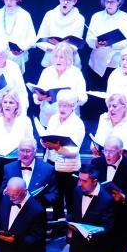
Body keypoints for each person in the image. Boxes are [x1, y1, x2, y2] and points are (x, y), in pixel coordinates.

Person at [40, 89, 86, 220]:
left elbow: (74, 150)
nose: (62, 108)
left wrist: (58, 147)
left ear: (73, 106)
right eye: (60, 105)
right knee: (55, 198)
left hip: (68, 168)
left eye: (65, 105)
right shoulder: (54, 119)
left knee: (70, 199)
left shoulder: (77, 124)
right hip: (51, 163)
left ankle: (71, 229)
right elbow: (47, 136)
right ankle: (57, 225)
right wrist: (44, 142)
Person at [0, 89, 33, 207]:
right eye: (5, 102)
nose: (7, 105)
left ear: (17, 105)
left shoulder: (25, 121)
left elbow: (30, 142)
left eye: (11, 102)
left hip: (16, 163)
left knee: (14, 195)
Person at [32, 41, 87, 126]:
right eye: (55, 56)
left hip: (69, 121)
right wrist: (40, 97)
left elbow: (83, 98)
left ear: (69, 59)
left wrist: (70, 99)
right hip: (47, 120)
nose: (58, 60)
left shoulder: (76, 73)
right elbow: (36, 98)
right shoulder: (46, 72)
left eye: (61, 57)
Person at [86, 0, 127, 79]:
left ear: (119, 2)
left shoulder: (126, 18)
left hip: (116, 63)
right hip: (96, 63)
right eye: (106, 1)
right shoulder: (96, 16)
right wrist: (96, 43)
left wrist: (111, 44)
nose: (108, 4)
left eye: (112, 2)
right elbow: (89, 38)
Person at [35, 0, 85, 69]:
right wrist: (54, 49)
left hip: (70, 60)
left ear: (75, 1)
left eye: (69, 0)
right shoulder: (49, 15)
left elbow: (75, 44)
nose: (65, 3)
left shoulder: (80, 18)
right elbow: (39, 39)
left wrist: (60, 48)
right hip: (50, 59)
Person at [92, 93, 127, 158]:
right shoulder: (104, 119)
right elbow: (97, 140)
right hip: (102, 161)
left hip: (124, 164)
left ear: (124, 107)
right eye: (109, 106)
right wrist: (93, 147)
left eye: (114, 106)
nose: (111, 109)